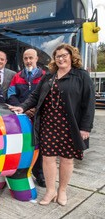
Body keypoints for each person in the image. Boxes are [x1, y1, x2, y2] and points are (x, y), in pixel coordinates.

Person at [9, 44, 95, 206]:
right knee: (47, 159)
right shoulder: (49, 76)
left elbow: (89, 103)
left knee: (67, 159)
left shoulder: (81, 76)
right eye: (58, 56)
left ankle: (62, 191)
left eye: (64, 55)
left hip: (70, 125)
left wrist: (85, 127)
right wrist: (23, 107)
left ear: (71, 56)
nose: (61, 59)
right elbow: (35, 95)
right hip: (48, 124)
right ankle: (50, 191)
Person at [7, 48, 46, 187]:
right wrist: (23, 108)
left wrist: (35, 109)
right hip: (22, 118)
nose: (28, 61)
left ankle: (39, 174)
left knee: (39, 146)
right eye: (26, 58)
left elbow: (48, 96)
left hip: (39, 116)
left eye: (31, 58)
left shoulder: (45, 76)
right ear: (23, 60)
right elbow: (11, 95)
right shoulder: (17, 76)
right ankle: (20, 172)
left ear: (36, 59)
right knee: (22, 146)